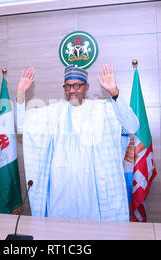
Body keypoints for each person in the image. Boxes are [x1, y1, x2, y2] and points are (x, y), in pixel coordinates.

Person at [15, 64, 139, 222]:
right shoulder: (55, 112)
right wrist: (20, 93)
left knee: (92, 231)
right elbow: (22, 125)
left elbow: (132, 126)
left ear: (86, 87)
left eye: (76, 85)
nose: (71, 90)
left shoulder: (103, 109)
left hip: (92, 190)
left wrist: (115, 93)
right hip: (61, 187)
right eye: (67, 86)